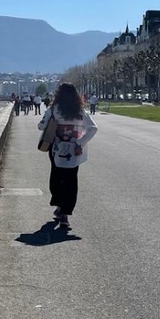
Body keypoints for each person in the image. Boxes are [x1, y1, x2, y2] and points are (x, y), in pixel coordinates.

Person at [37, 83, 98, 230]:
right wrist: (80, 142)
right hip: (75, 150)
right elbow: (93, 128)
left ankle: (59, 204)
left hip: (56, 149)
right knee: (71, 181)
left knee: (56, 178)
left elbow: (41, 126)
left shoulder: (54, 110)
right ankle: (65, 212)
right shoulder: (80, 111)